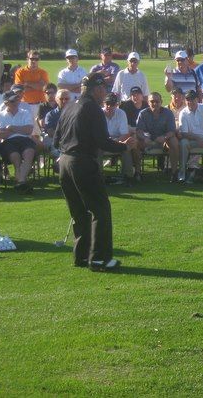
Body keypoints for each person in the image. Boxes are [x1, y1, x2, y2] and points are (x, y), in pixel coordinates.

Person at [53, 72, 133, 272]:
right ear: (97, 89)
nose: (105, 92)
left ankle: (81, 256)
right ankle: (99, 259)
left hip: (64, 163)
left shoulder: (69, 106)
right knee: (100, 210)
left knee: (79, 212)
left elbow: (56, 140)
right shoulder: (93, 109)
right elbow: (102, 141)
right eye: (104, 88)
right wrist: (124, 147)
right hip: (83, 163)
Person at [0, 90, 37, 193]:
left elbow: (29, 130)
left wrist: (11, 128)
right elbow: (0, 134)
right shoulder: (1, 115)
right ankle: (21, 182)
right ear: (6, 103)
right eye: (12, 101)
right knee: (15, 156)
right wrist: (20, 129)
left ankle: (20, 181)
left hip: (25, 139)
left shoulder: (25, 112)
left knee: (29, 153)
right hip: (9, 141)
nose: (16, 102)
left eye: (17, 99)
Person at [135, 91, 179, 183]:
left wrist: (165, 137)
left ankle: (174, 172)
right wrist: (144, 138)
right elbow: (138, 131)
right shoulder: (143, 113)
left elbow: (172, 131)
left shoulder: (168, 113)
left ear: (161, 102)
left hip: (163, 141)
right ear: (148, 102)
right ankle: (137, 173)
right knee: (135, 142)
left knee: (174, 141)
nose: (154, 103)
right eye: (152, 101)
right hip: (147, 141)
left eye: (157, 101)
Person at [103, 92, 139, 183]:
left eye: (112, 104)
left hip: (118, 141)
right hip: (102, 142)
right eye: (107, 104)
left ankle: (128, 176)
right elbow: (97, 134)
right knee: (96, 150)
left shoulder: (121, 113)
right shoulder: (98, 113)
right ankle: (98, 176)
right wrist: (108, 142)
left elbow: (124, 134)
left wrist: (115, 142)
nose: (109, 107)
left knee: (126, 148)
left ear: (117, 105)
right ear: (104, 103)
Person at [42, 90, 71, 159]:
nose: (64, 101)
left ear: (70, 100)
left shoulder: (75, 113)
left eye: (66, 99)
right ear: (56, 100)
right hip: (56, 142)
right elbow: (50, 132)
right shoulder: (51, 115)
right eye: (61, 99)